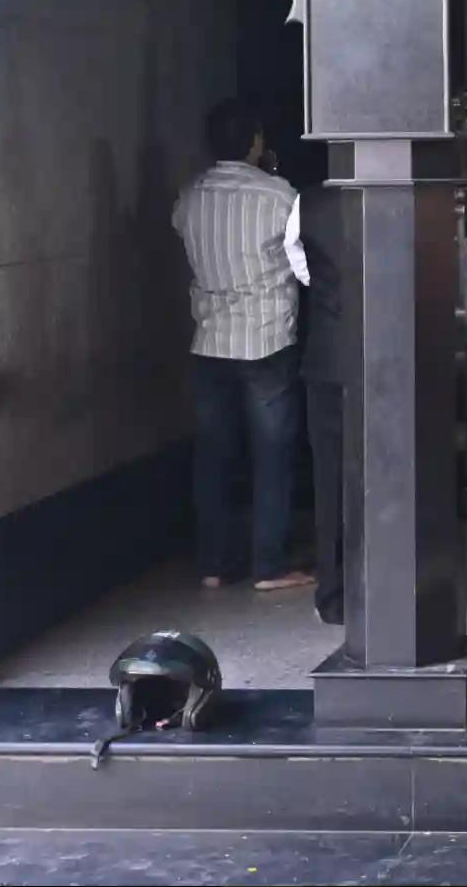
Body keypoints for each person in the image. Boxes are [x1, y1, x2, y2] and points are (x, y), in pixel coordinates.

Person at [173, 98, 313, 593]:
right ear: (255, 141)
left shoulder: (189, 197)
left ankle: (214, 562)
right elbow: (306, 269)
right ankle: (269, 565)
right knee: (272, 454)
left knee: (214, 454)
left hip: (210, 340)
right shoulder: (279, 196)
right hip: (267, 338)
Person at [298, 179, 355, 626]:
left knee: (331, 482)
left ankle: (335, 595)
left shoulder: (308, 202)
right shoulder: (408, 191)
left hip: (329, 358)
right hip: (394, 363)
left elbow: (301, 271)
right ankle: (406, 585)